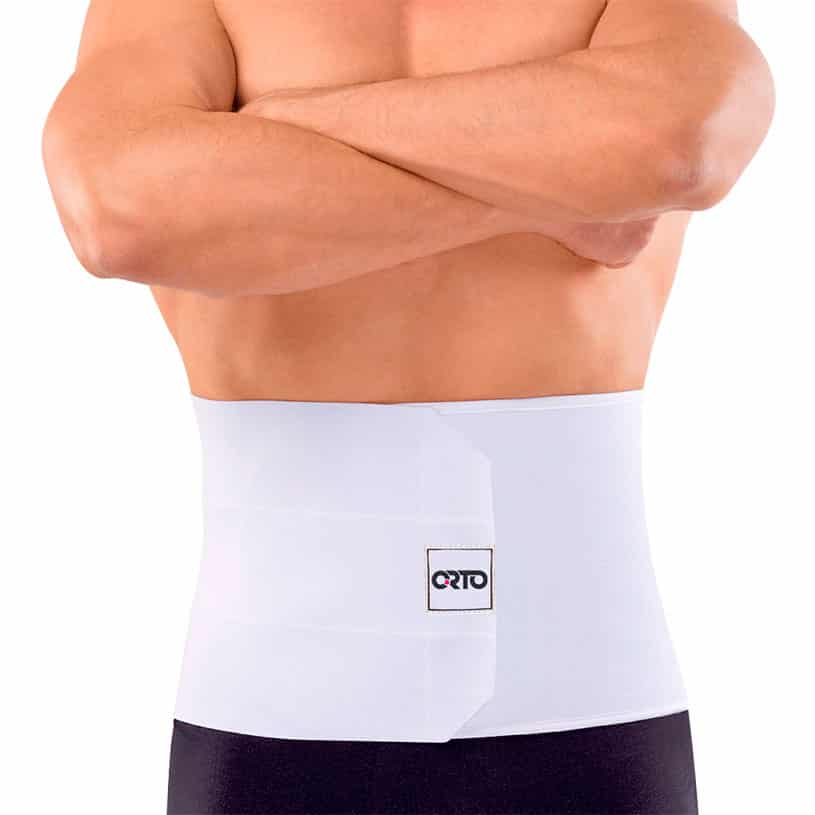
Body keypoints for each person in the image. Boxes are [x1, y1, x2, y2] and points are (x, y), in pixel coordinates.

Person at [42, 1, 774, 812]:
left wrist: (272, 128)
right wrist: (543, 195)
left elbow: (677, 144)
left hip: (587, 701)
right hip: (268, 711)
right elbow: (118, 210)